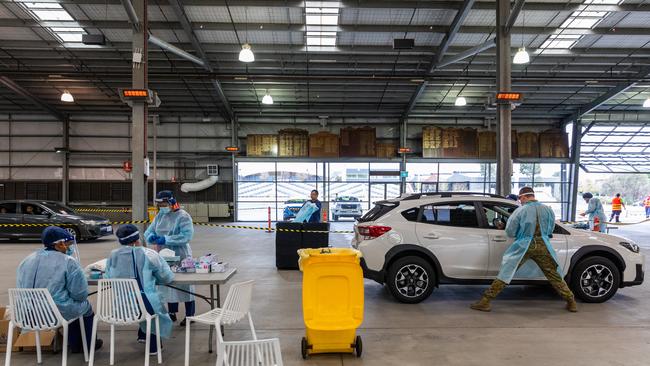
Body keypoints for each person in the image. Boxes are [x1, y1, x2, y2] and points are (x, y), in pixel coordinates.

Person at [470, 187, 577, 313]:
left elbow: (510, 231)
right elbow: (550, 229)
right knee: (554, 275)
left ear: (525, 196)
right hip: (543, 245)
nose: (520, 201)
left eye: (520, 198)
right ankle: (571, 301)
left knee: (507, 271)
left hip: (523, 245)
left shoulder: (521, 211)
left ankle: (485, 301)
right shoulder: (548, 210)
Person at [16, 226, 103, 353]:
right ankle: (88, 345)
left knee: (73, 306)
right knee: (84, 307)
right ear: (60, 244)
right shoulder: (68, 262)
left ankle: (75, 344)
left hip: (26, 314)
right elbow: (80, 295)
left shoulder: (27, 260)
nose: (70, 247)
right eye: (68, 244)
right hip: (54, 314)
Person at [107, 224, 174, 354]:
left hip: (122, 306)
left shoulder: (113, 255)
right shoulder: (149, 254)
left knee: (137, 298)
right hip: (145, 306)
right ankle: (153, 346)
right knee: (153, 305)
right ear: (138, 239)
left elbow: (108, 276)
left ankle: (142, 335)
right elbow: (166, 277)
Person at [144, 190, 195, 326]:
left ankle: (190, 315)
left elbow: (186, 236)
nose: (162, 207)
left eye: (164, 203)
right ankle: (172, 313)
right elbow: (149, 231)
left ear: (171, 201)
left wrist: (165, 239)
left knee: (186, 285)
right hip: (164, 255)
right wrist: (150, 237)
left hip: (181, 254)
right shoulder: (160, 216)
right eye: (160, 204)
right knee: (169, 284)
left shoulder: (183, 216)